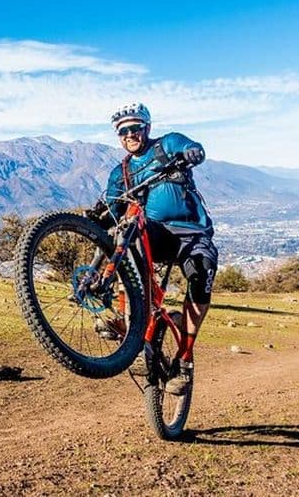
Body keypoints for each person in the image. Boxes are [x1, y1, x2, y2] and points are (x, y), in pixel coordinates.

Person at [90, 102, 218, 395]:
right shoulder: (121, 172)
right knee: (126, 231)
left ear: (146, 127)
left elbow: (193, 147)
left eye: (135, 128)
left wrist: (192, 152)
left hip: (191, 233)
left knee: (201, 275)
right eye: (123, 131)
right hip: (154, 235)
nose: (130, 135)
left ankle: (184, 359)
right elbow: (112, 209)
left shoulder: (167, 144)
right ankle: (129, 321)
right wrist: (96, 215)